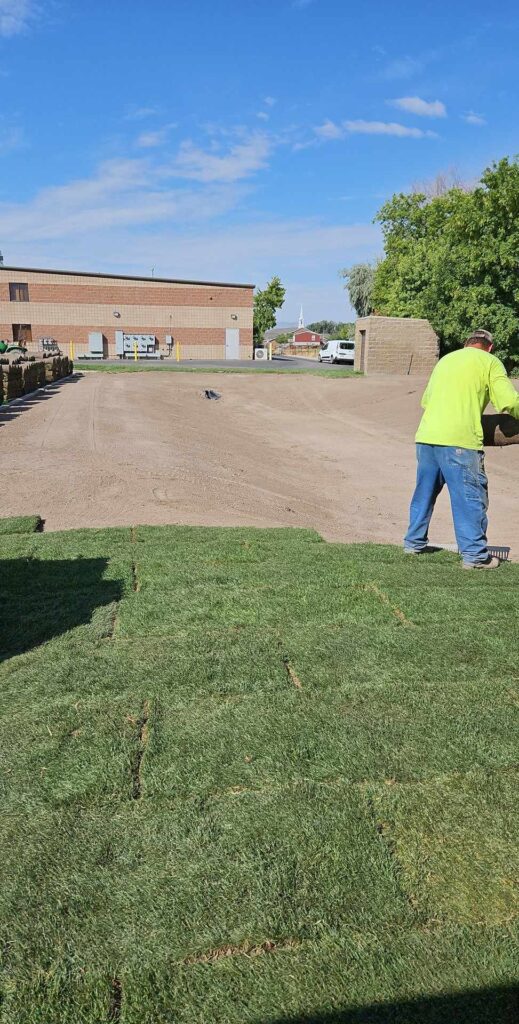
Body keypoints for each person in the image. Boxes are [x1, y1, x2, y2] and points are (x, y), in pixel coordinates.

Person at [404, 329, 519, 569]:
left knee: (424, 492)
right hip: (460, 441)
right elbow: (508, 401)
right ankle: (476, 556)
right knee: (469, 497)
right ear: (489, 347)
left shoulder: (446, 360)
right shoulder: (490, 362)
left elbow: (426, 400)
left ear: (467, 344)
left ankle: (413, 543)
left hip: (426, 437)